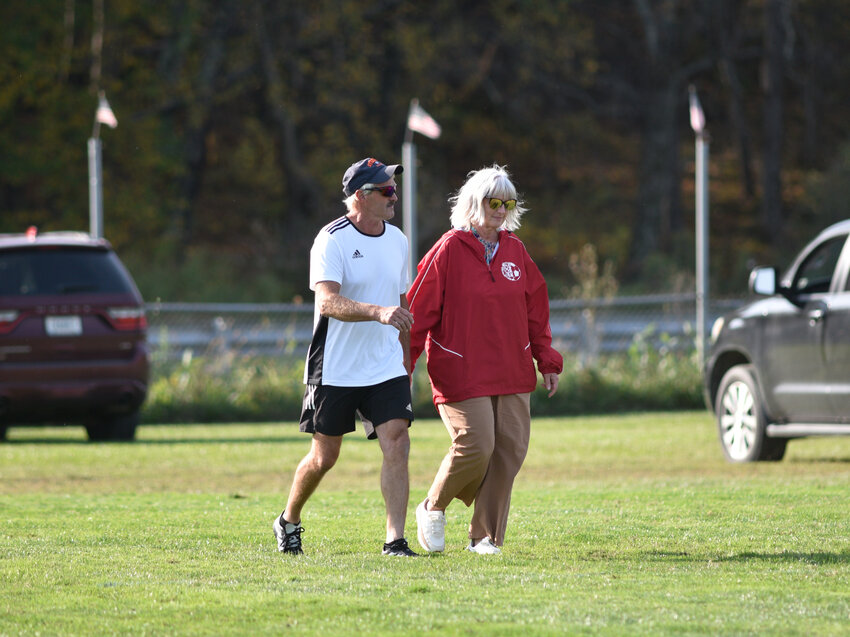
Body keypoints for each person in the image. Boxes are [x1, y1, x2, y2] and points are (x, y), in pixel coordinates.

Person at [407, 164, 563, 555]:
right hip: (460, 369)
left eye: (508, 203)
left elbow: (535, 311)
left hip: (512, 368)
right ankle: (432, 507)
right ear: (475, 203)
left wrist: (546, 360)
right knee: (477, 443)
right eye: (494, 201)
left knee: (509, 449)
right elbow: (417, 313)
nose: (501, 210)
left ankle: (484, 537)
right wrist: (401, 370)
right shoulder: (448, 249)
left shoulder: (516, 250)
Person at [273, 157, 418, 557]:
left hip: (384, 366)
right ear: (361, 196)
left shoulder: (398, 239)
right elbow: (328, 302)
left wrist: (406, 363)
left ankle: (395, 540)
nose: (394, 197)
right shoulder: (331, 240)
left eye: (394, 189)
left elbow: (400, 307)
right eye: (386, 190)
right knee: (324, 457)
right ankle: (288, 519)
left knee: (397, 441)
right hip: (334, 368)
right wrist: (378, 312)